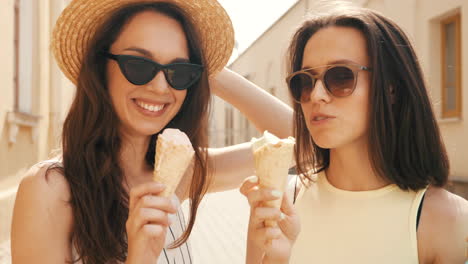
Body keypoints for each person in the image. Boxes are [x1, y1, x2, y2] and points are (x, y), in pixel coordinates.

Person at [10, 1, 293, 263]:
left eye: (179, 71)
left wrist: (208, 67)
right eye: (139, 65)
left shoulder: (182, 172)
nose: (160, 86)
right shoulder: (49, 189)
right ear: (100, 68)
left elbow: (300, 143)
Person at [241, 6, 468, 264]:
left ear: (391, 88)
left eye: (340, 77)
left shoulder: (448, 219)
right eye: (304, 82)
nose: (316, 95)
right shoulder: (278, 205)